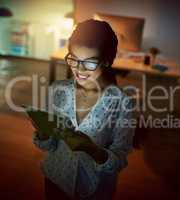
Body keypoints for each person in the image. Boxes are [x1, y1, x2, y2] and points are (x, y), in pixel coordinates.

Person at [33, 19, 136, 200]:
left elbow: (119, 159)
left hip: (93, 190)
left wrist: (93, 150)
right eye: (74, 59)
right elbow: (49, 146)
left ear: (106, 61)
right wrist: (43, 133)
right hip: (54, 178)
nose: (79, 69)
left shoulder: (122, 103)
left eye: (89, 63)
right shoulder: (58, 90)